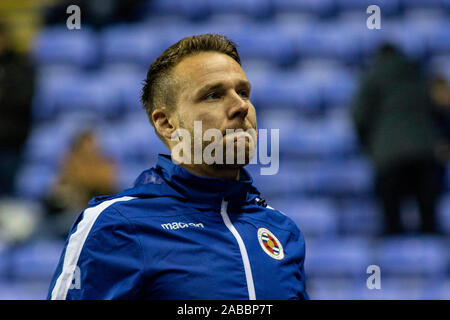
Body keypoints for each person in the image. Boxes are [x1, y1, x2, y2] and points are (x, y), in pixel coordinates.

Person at [47, 34, 309, 300]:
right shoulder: (116, 226)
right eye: (213, 95)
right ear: (166, 124)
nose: (241, 106)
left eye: (243, 92)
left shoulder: (281, 230)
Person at [351, 43, 445, 235]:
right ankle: (429, 250)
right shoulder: (422, 74)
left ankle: (393, 250)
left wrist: (370, 146)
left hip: (388, 154)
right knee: (428, 212)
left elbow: (359, 115)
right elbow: (442, 109)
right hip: (424, 151)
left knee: (391, 216)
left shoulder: (373, 78)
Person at [41, 130, 118, 239]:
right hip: (70, 213)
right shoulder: (69, 163)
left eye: (92, 146)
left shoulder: (105, 165)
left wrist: (81, 190)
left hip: (95, 213)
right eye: (85, 146)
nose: (89, 150)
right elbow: (58, 191)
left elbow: (105, 189)